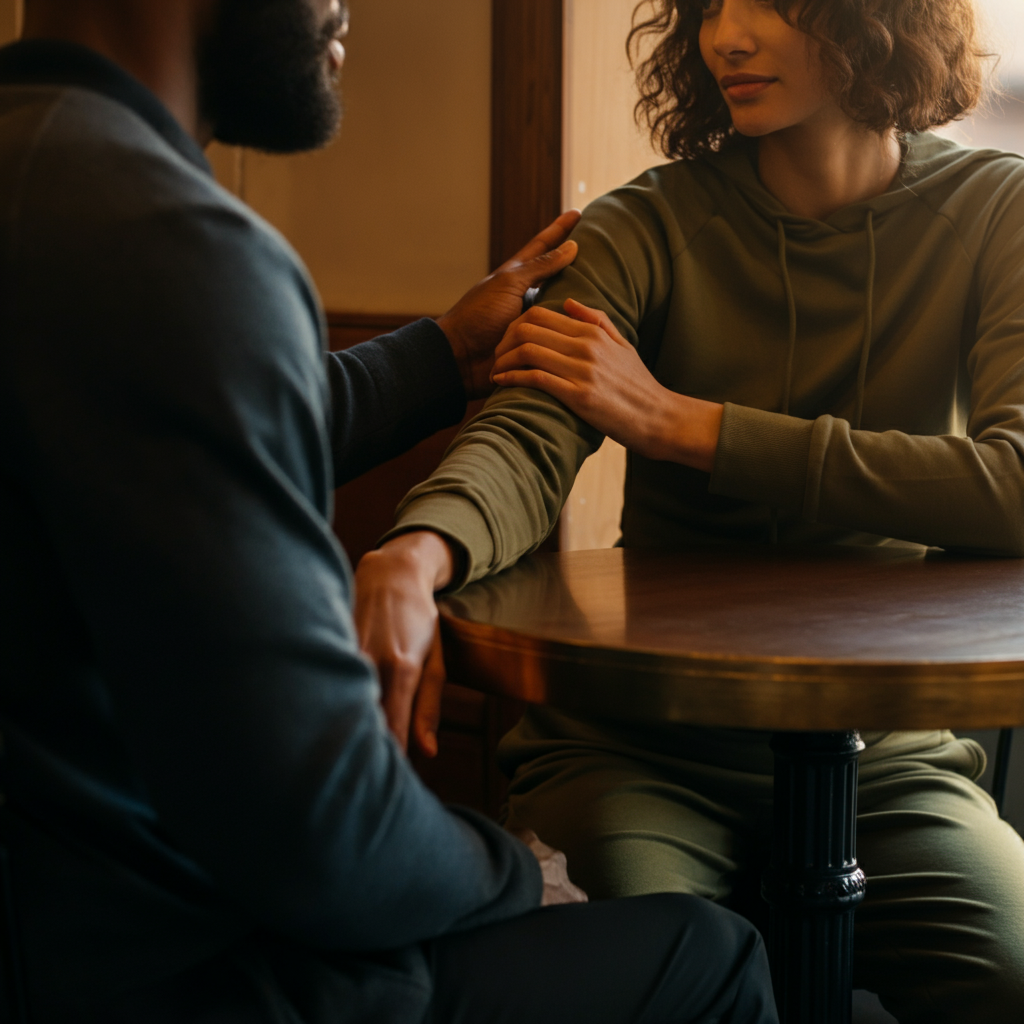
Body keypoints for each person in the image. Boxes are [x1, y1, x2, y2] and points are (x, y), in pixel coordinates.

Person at [0, 1, 783, 1022]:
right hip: (158, 964)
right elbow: (317, 830)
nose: (347, 6)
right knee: (710, 957)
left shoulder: (43, 174)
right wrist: (515, 874)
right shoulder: (166, 238)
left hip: (56, 919)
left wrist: (443, 353)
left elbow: (183, 423)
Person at [358, 0, 1024, 1021]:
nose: (726, 36)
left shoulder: (997, 209)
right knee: (652, 972)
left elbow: (1013, 484)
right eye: (709, 5)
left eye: (771, 2)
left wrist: (689, 427)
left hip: (888, 759)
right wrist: (417, 546)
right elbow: (526, 436)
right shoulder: (645, 222)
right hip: (640, 744)